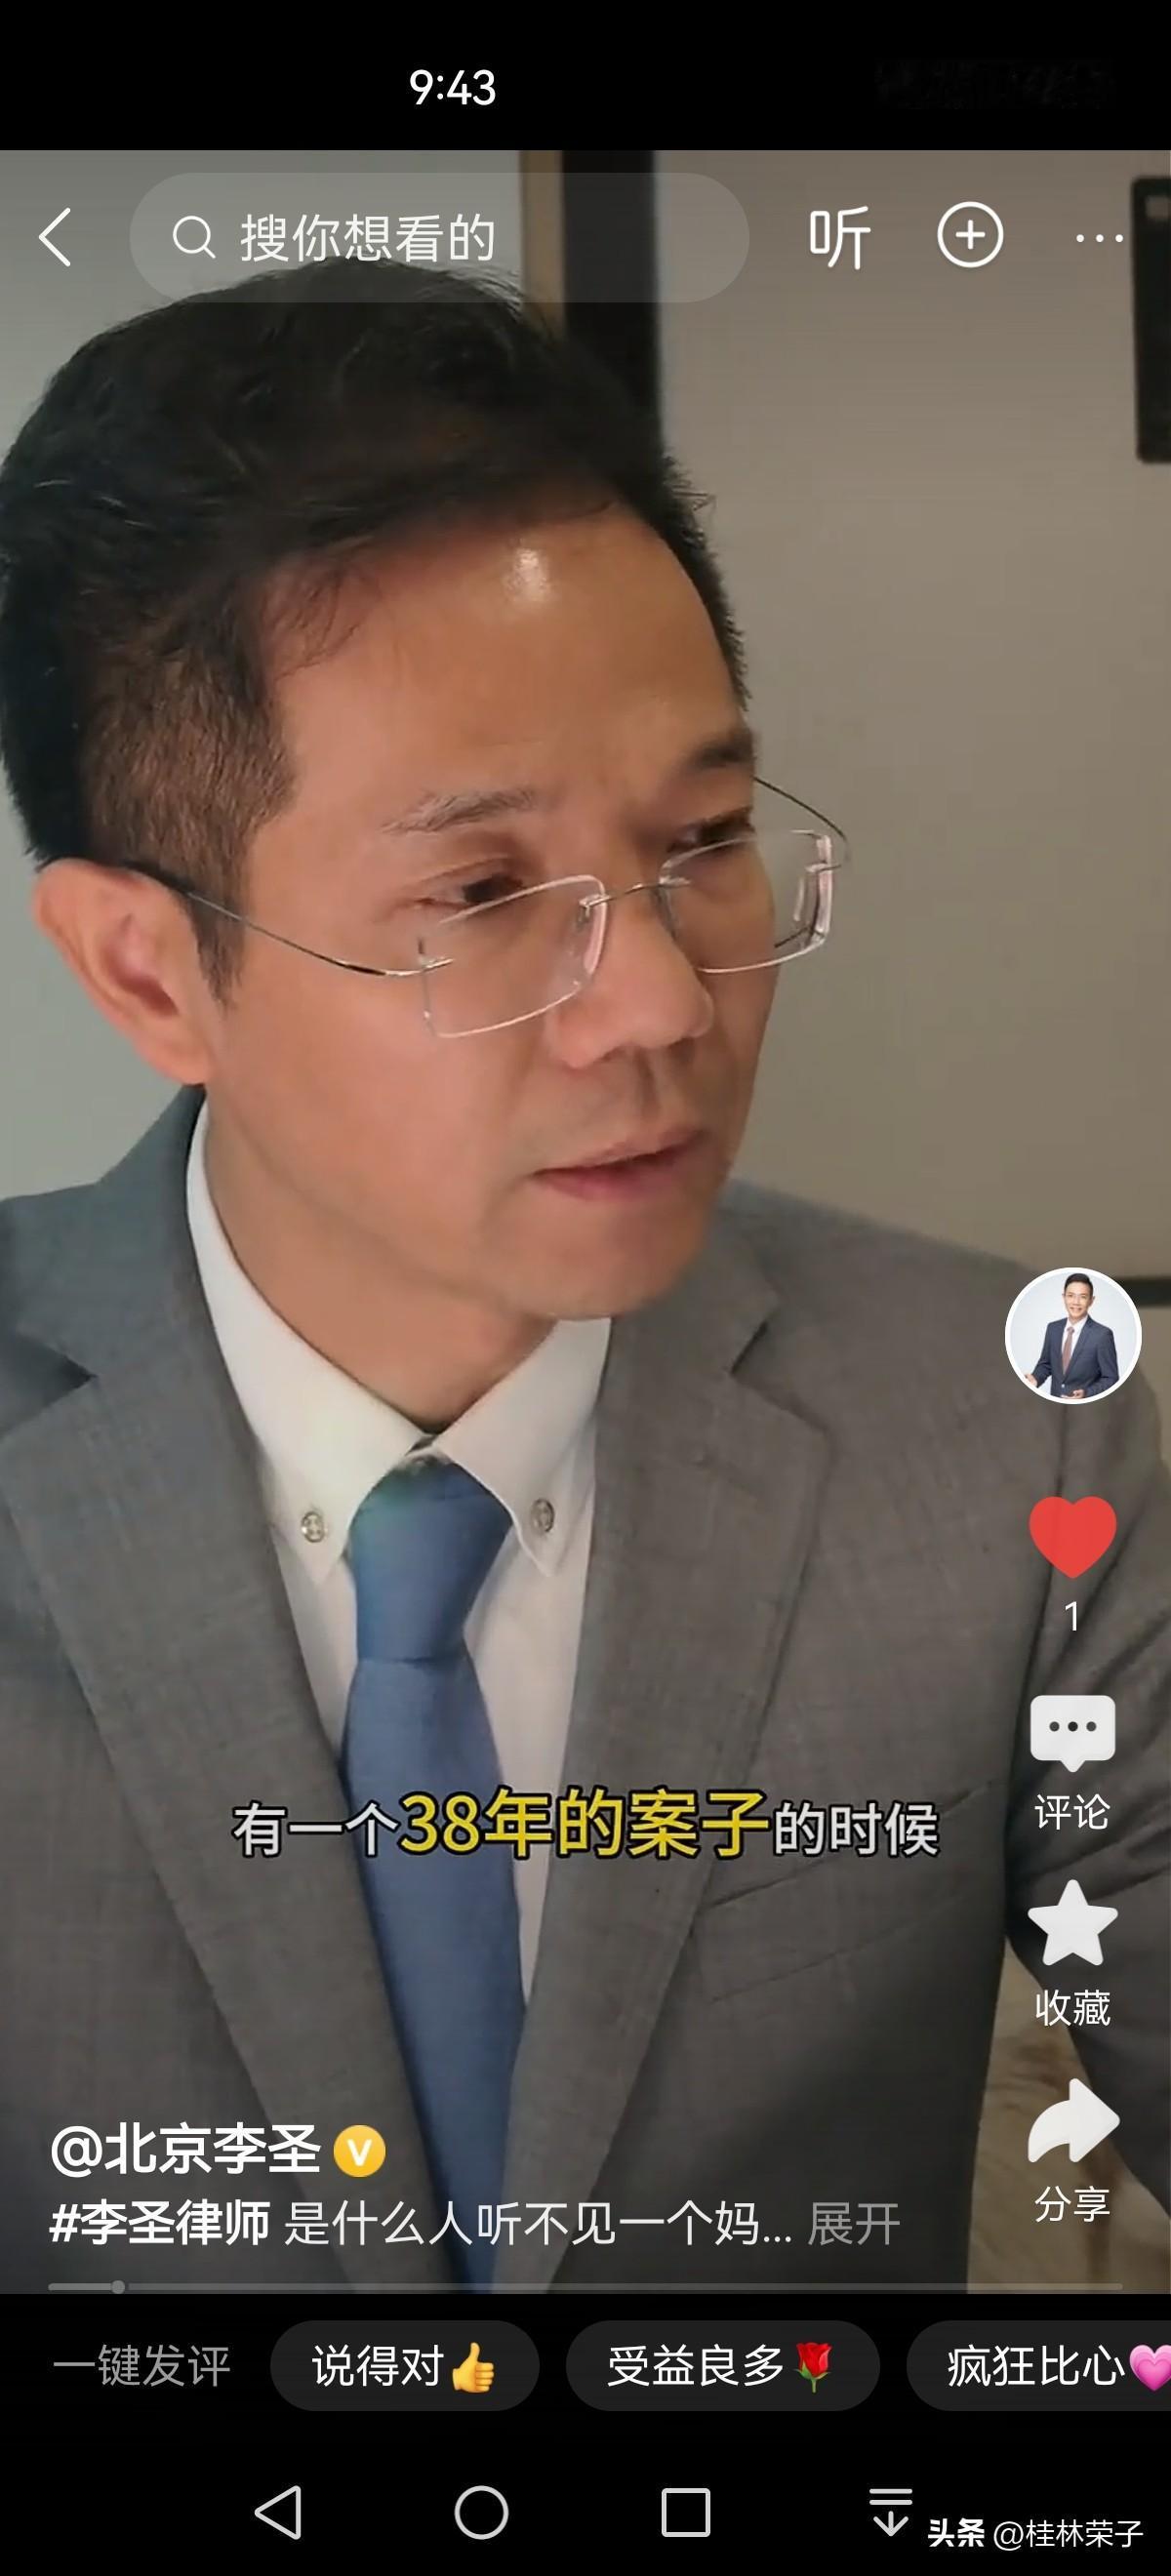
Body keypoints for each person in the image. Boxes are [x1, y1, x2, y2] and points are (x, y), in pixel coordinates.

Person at [0, 260, 1166, 2297]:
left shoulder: (1013, 1421)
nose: (660, 1006)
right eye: (477, 893)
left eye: (701, 839)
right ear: (150, 971)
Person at [1025, 1273, 1120, 1401]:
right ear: (1064, 1297)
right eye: (1070, 1296)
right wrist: (1036, 1379)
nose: (1076, 1302)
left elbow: (1111, 1378)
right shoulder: (1053, 1328)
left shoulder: (1102, 1335)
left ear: (1091, 1300)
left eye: (1083, 1297)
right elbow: (1046, 1364)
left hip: (1086, 1408)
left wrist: (1087, 1394)